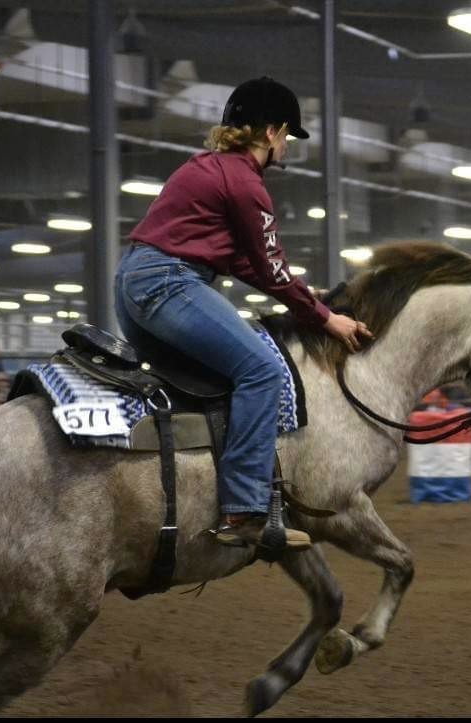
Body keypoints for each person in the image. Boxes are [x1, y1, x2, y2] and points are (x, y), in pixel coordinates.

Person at [114, 76, 372, 550]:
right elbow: (273, 272)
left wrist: (306, 304)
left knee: (215, 381)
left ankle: (194, 491)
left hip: (134, 287)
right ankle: (245, 510)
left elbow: (242, 263)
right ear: (271, 132)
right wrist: (325, 318)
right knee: (260, 371)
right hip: (170, 283)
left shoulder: (207, 168)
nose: (288, 148)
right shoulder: (246, 185)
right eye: (288, 137)